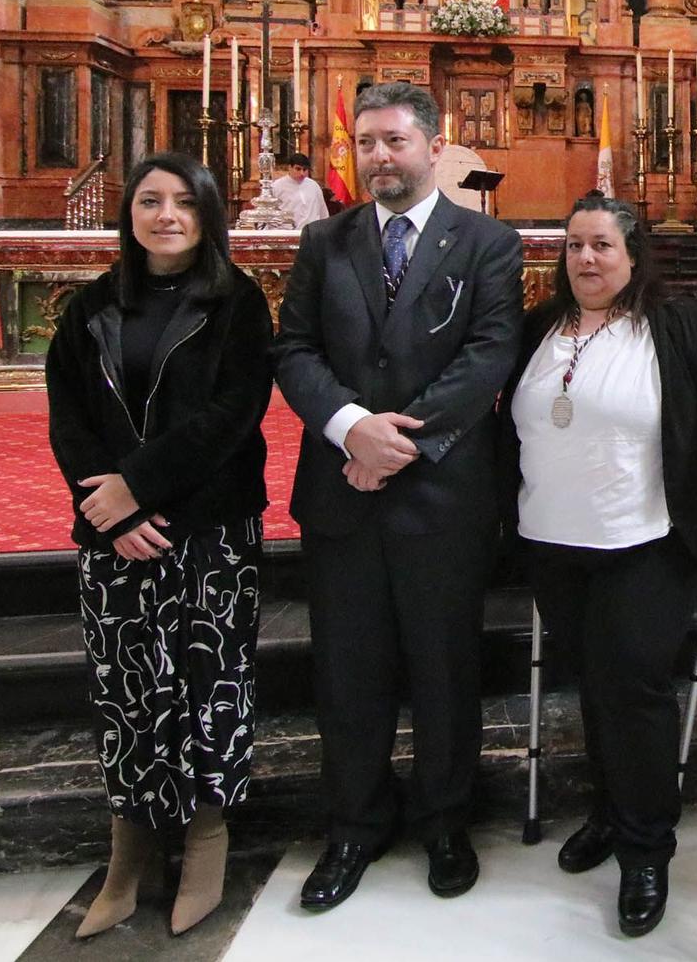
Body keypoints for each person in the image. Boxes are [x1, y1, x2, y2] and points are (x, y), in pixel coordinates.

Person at [273, 82, 523, 911]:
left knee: (445, 665)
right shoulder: (323, 241)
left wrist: (396, 445)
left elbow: (489, 355)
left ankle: (446, 821)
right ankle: (354, 824)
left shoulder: (487, 241)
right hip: (342, 493)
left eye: (395, 141)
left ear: (433, 144)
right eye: (367, 142)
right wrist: (350, 427)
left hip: (442, 494)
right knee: (349, 671)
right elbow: (296, 351)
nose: (381, 156)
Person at [502, 195, 697, 937]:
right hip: (553, 539)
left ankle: (647, 849)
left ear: (634, 255)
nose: (585, 259)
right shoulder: (537, 329)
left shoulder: (679, 326)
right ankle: (610, 814)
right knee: (593, 683)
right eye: (574, 246)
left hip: (645, 536)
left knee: (636, 687)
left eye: (602, 246)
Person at [45, 151, 273, 938]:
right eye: (150, 201)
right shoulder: (92, 307)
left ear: (207, 214)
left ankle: (207, 839)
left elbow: (231, 418)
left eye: (183, 202)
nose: (166, 214)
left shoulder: (239, 305)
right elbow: (69, 416)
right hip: (113, 533)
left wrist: (138, 486)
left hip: (208, 526)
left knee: (210, 684)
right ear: (129, 213)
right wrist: (109, 506)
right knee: (128, 691)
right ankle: (129, 852)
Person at [270, 151, 331, 228]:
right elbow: (270, 215)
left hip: (312, 233)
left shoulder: (314, 186)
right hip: (288, 233)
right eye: (298, 169)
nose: (302, 173)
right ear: (290, 167)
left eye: (305, 169)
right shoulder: (277, 186)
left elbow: (323, 212)